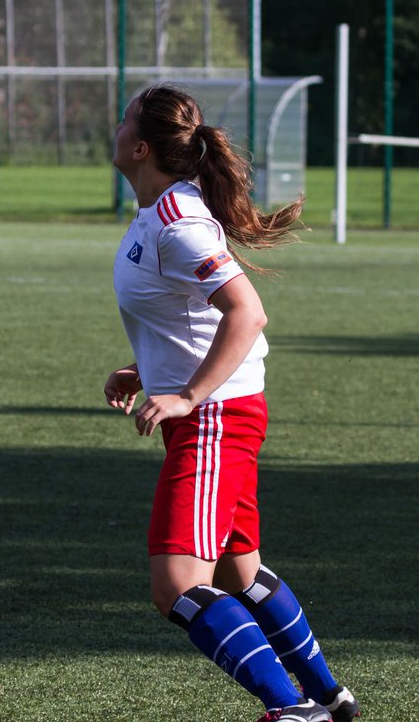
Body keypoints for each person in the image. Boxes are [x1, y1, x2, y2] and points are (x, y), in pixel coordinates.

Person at [104, 85, 359, 722]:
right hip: (222, 413)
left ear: (141, 147)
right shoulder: (159, 212)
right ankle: (329, 696)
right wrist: (147, 368)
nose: (115, 125)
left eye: (124, 118)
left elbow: (248, 313)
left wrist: (188, 394)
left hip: (215, 419)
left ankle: (293, 709)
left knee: (177, 587)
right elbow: (189, 316)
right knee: (240, 572)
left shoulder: (178, 223)